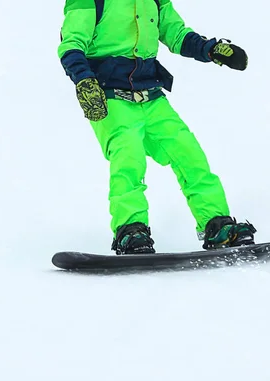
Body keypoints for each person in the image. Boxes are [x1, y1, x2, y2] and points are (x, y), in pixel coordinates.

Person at [57, 0, 256, 254]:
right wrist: (84, 79)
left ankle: (216, 225)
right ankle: (130, 229)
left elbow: (175, 34)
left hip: (150, 94)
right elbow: (71, 43)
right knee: (128, 157)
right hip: (109, 97)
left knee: (188, 152)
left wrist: (211, 49)